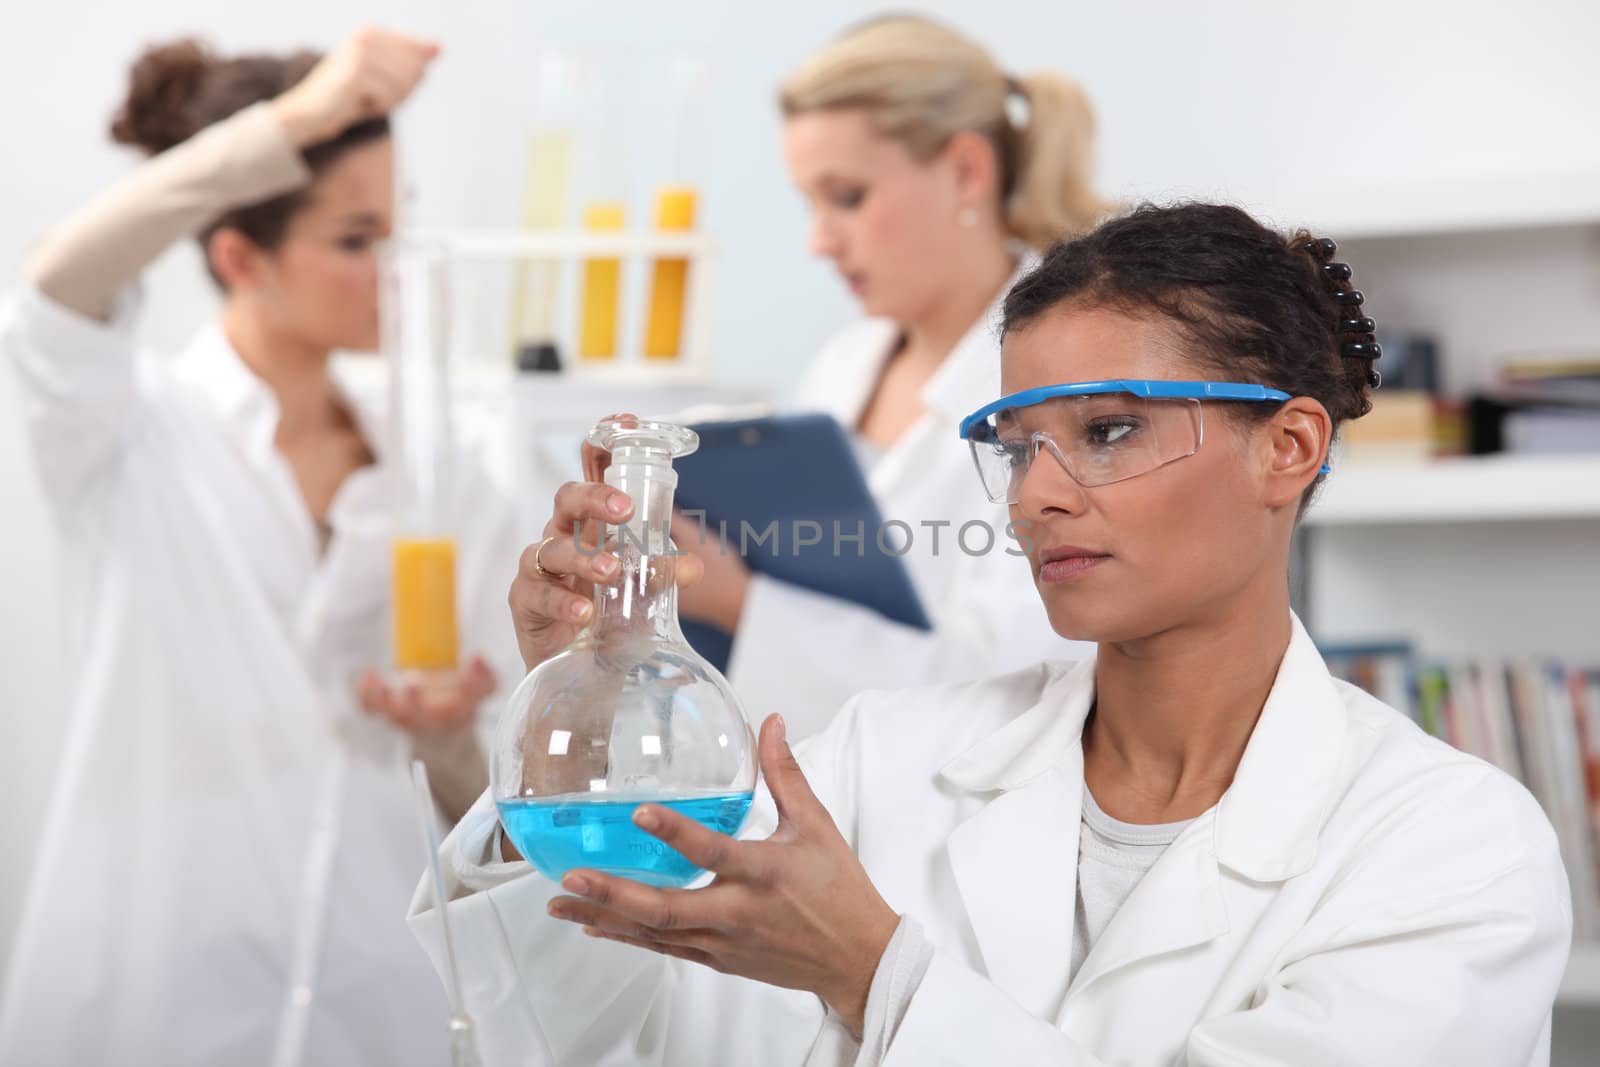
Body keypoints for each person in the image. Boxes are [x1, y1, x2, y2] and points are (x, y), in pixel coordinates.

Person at [413, 203, 1572, 1066]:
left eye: (1109, 432)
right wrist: (588, 702)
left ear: (1290, 448)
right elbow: (599, 1032)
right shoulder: (878, 759)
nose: (1034, 497)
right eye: (1018, 446)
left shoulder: (1450, 847)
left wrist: (878, 977)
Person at [0, 29, 523, 1065]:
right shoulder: (130, 430)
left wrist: (450, 736)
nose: (397, 269)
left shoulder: (442, 462)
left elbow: (504, 811)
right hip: (149, 1000)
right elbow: (56, 281)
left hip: (381, 1003)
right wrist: (292, 123)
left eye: (399, 227)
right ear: (241, 256)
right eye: (355, 238)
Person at [662, 14, 1105, 736]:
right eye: (808, 204)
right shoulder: (844, 364)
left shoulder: (1067, 380)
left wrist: (742, 606)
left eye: (847, 197)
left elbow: (1021, 684)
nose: (818, 241)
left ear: (967, 170)